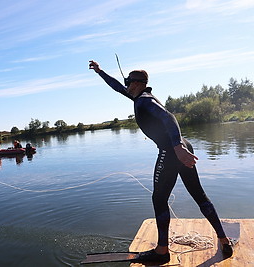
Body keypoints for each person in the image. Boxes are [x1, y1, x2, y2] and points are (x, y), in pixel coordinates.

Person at [89, 60, 233, 263]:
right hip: (181, 146)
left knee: (159, 199)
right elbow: (117, 87)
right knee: (199, 195)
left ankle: (162, 251)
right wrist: (100, 72)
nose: (126, 84)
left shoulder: (145, 101)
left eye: (128, 81)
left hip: (172, 151)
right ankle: (224, 241)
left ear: (137, 83)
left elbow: (169, 118)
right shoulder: (139, 97)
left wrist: (177, 147)